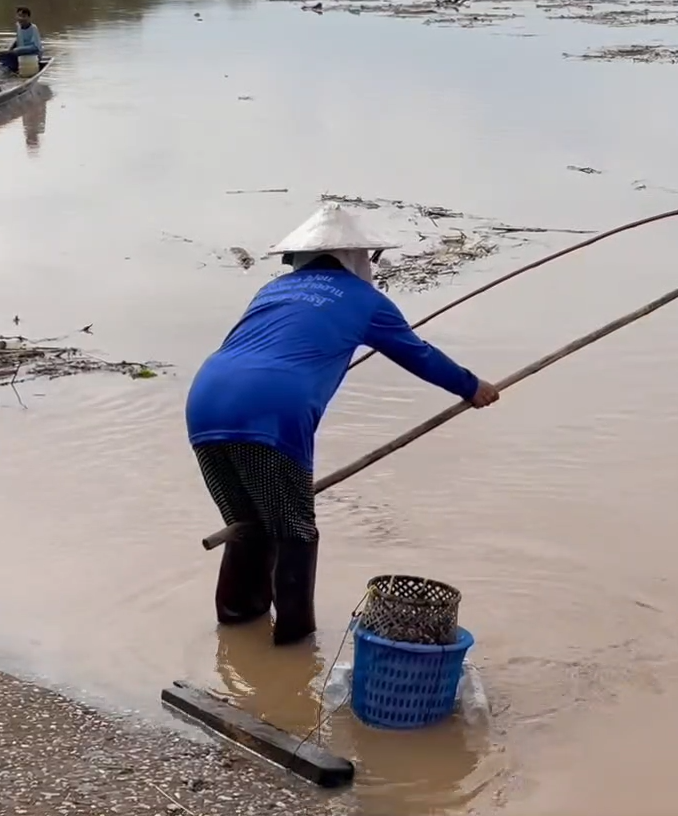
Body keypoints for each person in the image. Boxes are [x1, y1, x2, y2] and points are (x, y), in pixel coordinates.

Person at [186, 202, 501, 645]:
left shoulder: (271, 292)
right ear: (358, 258)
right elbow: (418, 354)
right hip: (274, 411)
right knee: (294, 529)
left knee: (248, 523)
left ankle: (236, 630)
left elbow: (272, 346)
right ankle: (295, 647)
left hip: (206, 400)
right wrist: (472, 387)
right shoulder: (366, 299)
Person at [0, 6, 43, 73]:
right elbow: (18, 40)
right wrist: (10, 50)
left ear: (28, 17)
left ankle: (15, 68)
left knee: (13, 53)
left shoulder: (33, 28)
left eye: (24, 16)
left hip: (33, 54)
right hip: (20, 53)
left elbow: (36, 47)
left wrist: (17, 50)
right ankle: (15, 67)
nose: (21, 18)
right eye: (19, 16)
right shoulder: (18, 26)